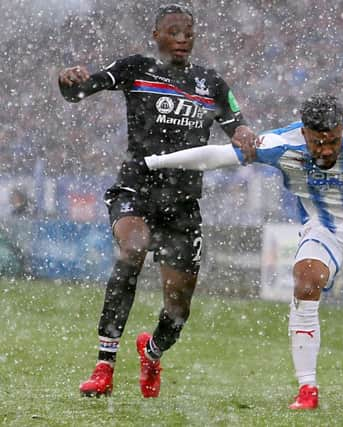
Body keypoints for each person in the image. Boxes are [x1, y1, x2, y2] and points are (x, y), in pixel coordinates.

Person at [143, 83, 343, 409]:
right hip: (323, 229)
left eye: (333, 141)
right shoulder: (279, 145)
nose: (326, 151)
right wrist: (152, 163)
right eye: (318, 143)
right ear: (304, 133)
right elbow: (216, 157)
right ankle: (308, 389)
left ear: (342, 130)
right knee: (306, 281)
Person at [58, 3, 257, 398]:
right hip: (137, 188)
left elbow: (238, 124)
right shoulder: (137, 68)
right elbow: (79, 91)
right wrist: (68, 81)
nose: (182, 39)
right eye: (173, 31)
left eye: (188, 32)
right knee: (132, 249)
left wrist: (245, 134)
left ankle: (152, 353)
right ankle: (104, 365)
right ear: (156, 35)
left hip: (182, 202)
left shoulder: (211, 84)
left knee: (178, 308)